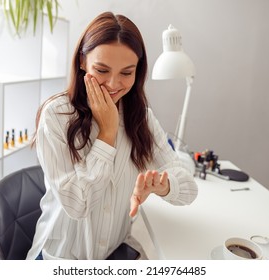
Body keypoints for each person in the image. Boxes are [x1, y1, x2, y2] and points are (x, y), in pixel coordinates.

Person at [26, 11, 198, 260]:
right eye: (102, 70)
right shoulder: (57, 116)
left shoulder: (141, 117)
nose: (113, 84)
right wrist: (107, 133)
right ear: (83, 61)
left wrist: (164, 185)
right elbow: (78, 204)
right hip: (63, 256)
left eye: (126, 73)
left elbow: (189, 188)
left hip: (113, 251)